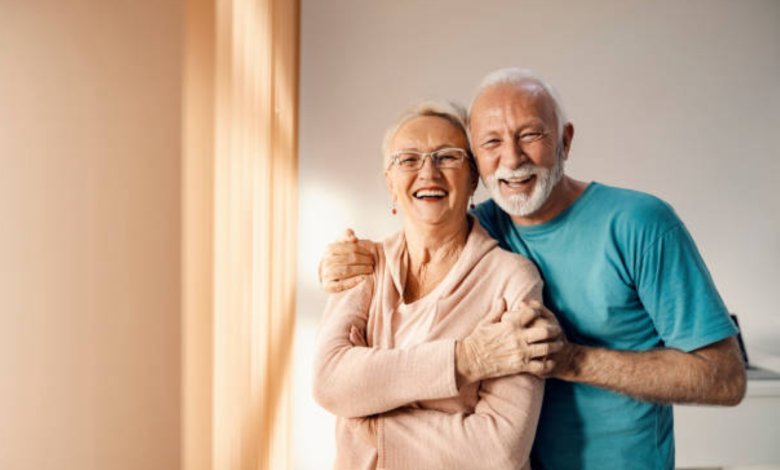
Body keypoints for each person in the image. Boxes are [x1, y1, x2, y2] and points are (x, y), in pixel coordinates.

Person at [319, 68, 747, 470]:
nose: (512, 159)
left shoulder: (640, 224)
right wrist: (339, 262)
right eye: (491, 143)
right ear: (478, 168)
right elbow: (426, 222)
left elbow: (725, 379)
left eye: (530, 135)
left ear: (565, 140)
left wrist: (572, 360)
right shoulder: (482, 225)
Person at [312, 101, 562, 470]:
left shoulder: (513, 279)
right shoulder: (363, 264)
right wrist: (468, 358)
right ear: (390, 184)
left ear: (474, 178)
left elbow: (500, 450)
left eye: (447, 157)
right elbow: (329, 382)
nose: (428, 171)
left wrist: (376, 429)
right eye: (408, 159)